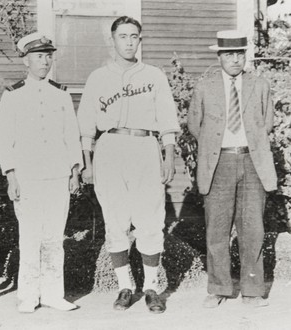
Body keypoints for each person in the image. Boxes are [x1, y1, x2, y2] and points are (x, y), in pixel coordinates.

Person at [77, 16, 180, 314]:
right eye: (123, 36)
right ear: (113, 40)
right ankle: (125, 286)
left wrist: (169, 157)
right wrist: (88, 163)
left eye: (134, 36)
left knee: (150, 219)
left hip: (146, 147)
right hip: (110, 147)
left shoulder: (154, 75)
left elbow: (167, 122)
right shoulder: (98, 77)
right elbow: (86, 127)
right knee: (116, 218)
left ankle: (150, 288)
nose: (129, 41)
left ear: (140, 40)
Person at [187, 30, 277, 308]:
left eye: (240, 54)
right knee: (217, 229)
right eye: (229, 54)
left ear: (245, 56)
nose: (235, 60)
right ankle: (218, 288)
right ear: (220, 56)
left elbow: (268, 122)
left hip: (252, 161)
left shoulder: (259, 85)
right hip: (219, 162)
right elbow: (193, 124)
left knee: (252, 228)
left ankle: (251, 290)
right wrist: (217, 146)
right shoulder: (206, 86)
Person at [0, 32, 83, 313]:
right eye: (38, 56)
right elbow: (4, 139)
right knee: (30, 237)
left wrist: (74, 171)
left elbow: (71, 134)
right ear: (25, 60)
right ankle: (28, 295)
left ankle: (54, 294)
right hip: (28, 177)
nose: (44, 61)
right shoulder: (13, 95)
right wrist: (11, 176)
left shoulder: (61, 93)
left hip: (57, 175)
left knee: (54, 238)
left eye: (48, 56)